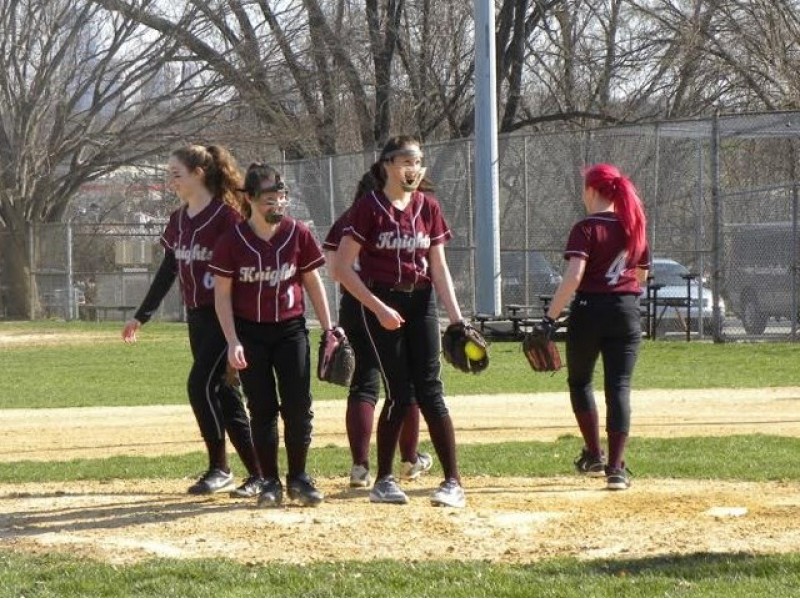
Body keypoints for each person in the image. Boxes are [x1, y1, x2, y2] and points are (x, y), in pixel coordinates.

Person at [122, 144, 263, 498]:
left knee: (200, 386)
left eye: (177, 174)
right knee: (225, 393)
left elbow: (246, 266)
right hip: (197, 317)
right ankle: (258, 473)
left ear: (199, 173)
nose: (171, 181)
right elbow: (169, 269)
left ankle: (220, 468)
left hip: (224, 316)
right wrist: (142, 315)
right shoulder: (179, 219)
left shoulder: (226, 217)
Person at [335, 135, 466, 508]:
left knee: (431, 390)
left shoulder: (428, 207)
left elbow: (438, 267)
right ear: (387, 165)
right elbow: (341, 268)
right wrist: (377, 307)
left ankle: (452, 482)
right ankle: (384, 480)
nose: (414, 168)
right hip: (382, 300)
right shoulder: (369, 208)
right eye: (407, 161)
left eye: (418, 161)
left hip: (421, 300)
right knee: (399, 391)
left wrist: (457, 319)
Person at [211, 163, 333, 508]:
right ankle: (269, 481)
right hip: (250, 332)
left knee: (298, 406)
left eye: (282, 197)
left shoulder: (298, 233)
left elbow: (312, 282)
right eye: (269, 199)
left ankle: (299, 477)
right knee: (262, 408)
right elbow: (222, 295)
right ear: (249, 199)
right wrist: (232, 341)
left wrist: (329, 328)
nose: (278, 204)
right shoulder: (232, 240)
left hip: (291, 330)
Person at [537, 163, 649, 491]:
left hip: (589, 310)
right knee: (619, 387)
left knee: (580, 382)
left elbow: (574, 277)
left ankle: (594, 454)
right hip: (626, 311)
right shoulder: (634, 225)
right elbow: (641, 276)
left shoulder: (586, 228)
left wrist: (549, 319)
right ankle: (616, 468)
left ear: (591, 190)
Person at [323, 190, 432, 489]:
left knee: (363, 383)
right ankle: (409, 459)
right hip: (385, 302)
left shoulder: (346, 219)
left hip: (352, 304)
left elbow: (334, 271)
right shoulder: (387, 216)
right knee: (404, 384)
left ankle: (360, 467)